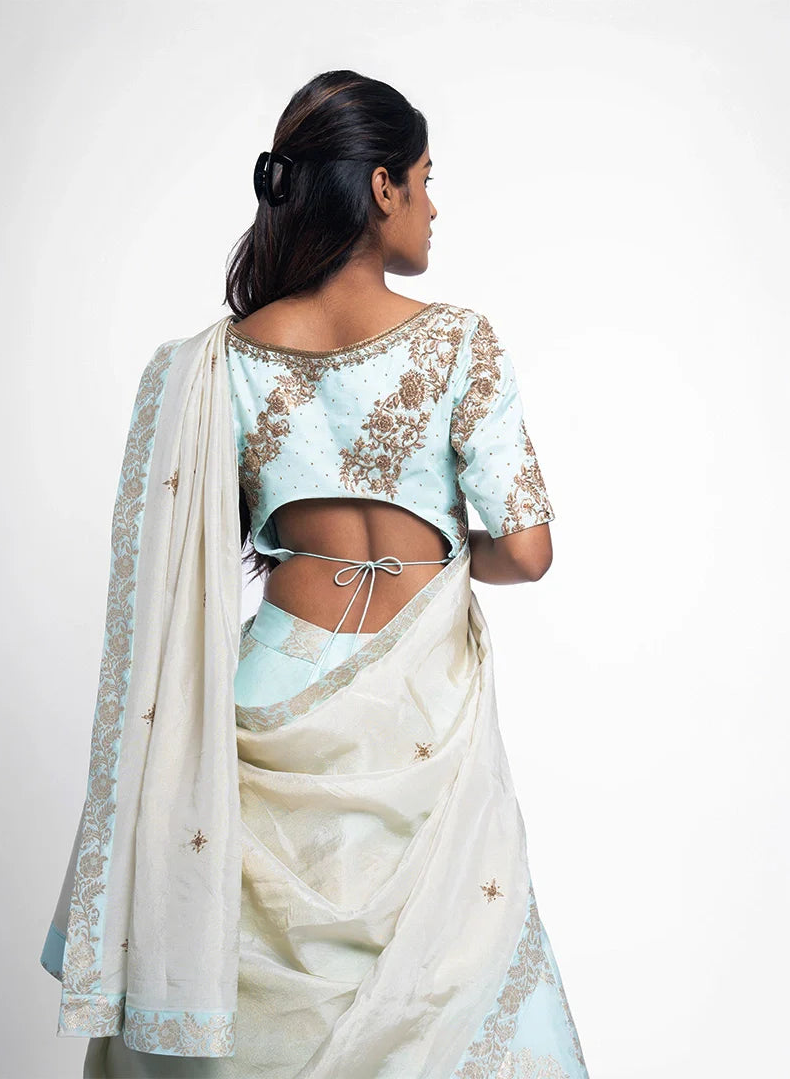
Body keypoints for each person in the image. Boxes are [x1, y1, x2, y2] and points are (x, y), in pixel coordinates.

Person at [40, 70, 590, 1078]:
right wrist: (434, 555)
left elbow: (188, 563)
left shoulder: (216, 362)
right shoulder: (460, 343)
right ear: (382, 187)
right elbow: (528, 550)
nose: (434, 206)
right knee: (446, 984)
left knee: (250, 988)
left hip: (269, 692)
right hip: (419, 708)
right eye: (426, 179)